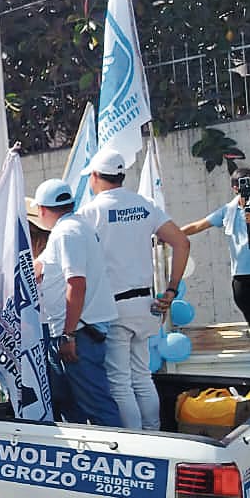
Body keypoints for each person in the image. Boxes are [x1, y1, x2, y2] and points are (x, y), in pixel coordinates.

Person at [75, 148, 190, 431]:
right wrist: (172, 289)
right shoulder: (145, 204)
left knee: (119, 381)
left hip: (114, 307)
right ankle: (153, 432)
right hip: (147, 304)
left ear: (95, 177)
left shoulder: (90, 211)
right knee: (141, 375)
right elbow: (182, 242)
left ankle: (137, 440)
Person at [33, 179, 122, 427]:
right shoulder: (75, 226)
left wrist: (68, 335)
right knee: (73, 401)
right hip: (79, 329)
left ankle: (115, 457)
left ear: (41, 210)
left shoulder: (66, 233)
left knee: (96, 404)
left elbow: (76, 283)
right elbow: (42, 266)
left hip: (79, 332)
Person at [180, 167, 250, 352]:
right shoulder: (229, 210)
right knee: (245, 306)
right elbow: (199, 225)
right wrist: (171, 235)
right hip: (241, 271)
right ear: (237, 188)